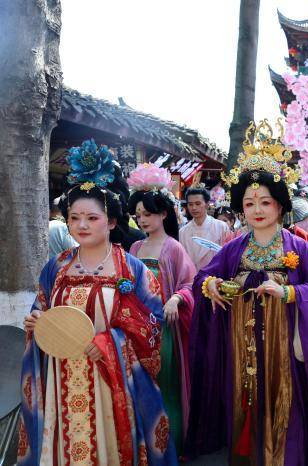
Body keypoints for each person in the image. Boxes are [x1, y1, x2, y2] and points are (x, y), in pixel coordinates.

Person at [185, 121, 308, 464]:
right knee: (244, 398)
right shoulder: (234, 247)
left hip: (284, 342)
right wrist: (211, 286)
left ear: (280, 206)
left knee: (283, 400)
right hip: (240, 342)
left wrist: (288, 293)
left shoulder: (298, 247)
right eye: (249, 203)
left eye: (265, 202)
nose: (257, 210)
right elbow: (203, 277)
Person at [19, 140, 175, 465]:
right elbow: (42, 309)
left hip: (110, 380)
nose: (82, 225)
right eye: (74, 218)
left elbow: (153, 323)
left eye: (92, 217)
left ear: (112, 221)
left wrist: (109, 342)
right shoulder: (56, 267)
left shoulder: (131, 269)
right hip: (60, 375)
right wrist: (36, 322)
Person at [127, 164, 196, 454]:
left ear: (164, 214)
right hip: (136, 328)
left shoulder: (173, 248)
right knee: (140, 385)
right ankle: (145, 446)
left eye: (148, 213)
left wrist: (176, 298)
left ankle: (171, 446)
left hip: (164, 330)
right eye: (138, 215)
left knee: (166, 385)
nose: (142, 219)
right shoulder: (134, 249)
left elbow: (190, 283)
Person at [179, 186, 230, 271]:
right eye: (190, 204)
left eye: (198, 204)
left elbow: (227, 256)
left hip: (215, 275)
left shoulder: (221, 227)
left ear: (207, 204)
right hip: (192, 276)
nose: (194, 208)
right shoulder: (183, 232)